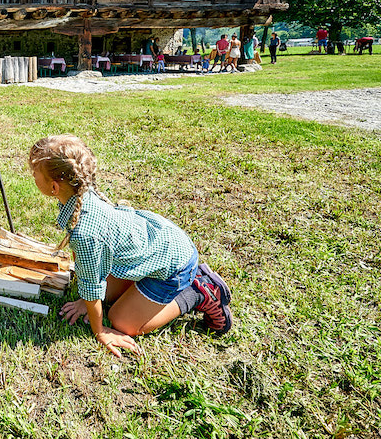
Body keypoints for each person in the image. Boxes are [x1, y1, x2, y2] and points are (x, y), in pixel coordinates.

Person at [28, 135, 232, 358]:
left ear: (54, 186)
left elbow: (92, 286)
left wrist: (100, 331)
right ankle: (145, 288)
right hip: (160, 244)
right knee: (100, 291)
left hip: (174, 265)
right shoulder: (82, 193)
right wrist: (84, 301)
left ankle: (198, 292)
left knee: (121, 321)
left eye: (35, 174)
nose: (33, 177)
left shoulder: (85, 234)